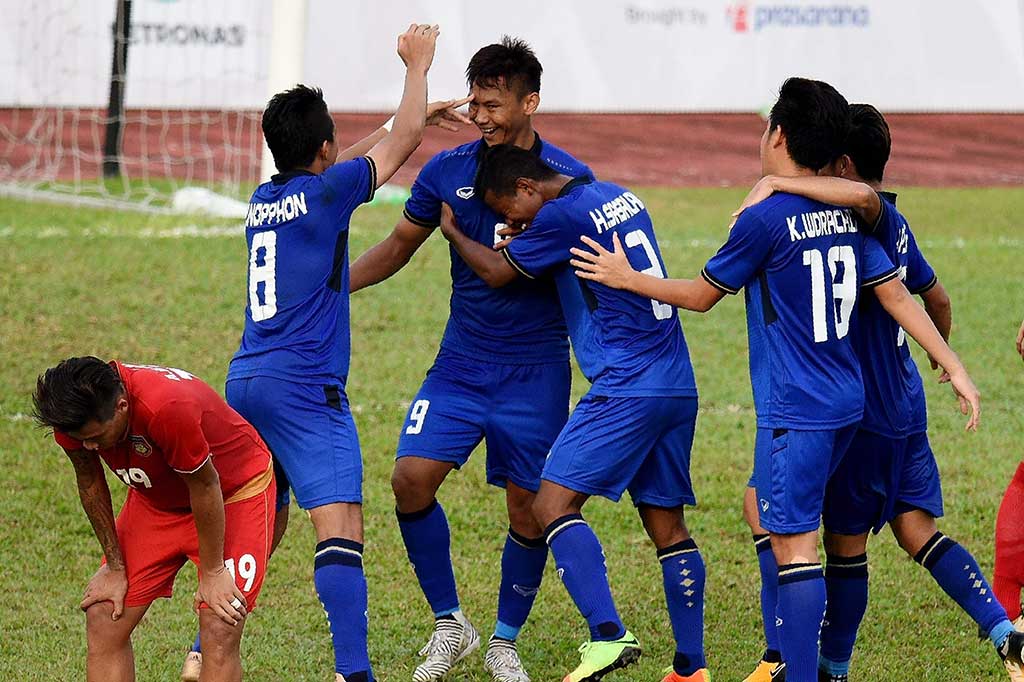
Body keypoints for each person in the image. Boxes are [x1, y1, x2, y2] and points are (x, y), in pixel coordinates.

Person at [568, 77, 992, 682]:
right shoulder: (845, 214)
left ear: (779, 136)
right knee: (770, 515)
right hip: (847, 402)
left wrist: (626, 277)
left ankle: (791, 669)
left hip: (797, 409)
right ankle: (794, 660)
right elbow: (899, 294)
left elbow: (701, 296)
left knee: (795, 547)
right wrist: (954, 365)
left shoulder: (765, 220)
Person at [730, 103, 1024, 682]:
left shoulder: (858, 218)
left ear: (841, 164)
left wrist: (777, 182)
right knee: (915, 530)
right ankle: (1004, 632)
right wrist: (936, 355)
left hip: (856, 409)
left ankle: (802, 662)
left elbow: (860, 202)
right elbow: (937, 299)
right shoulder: (897, 222)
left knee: (826, 540)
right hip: (904, 402)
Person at [349, 37, 591, 682]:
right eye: (475, 103)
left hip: (536, 370)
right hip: (460, 365)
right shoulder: (445, 170)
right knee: (409, 479)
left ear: (530, 102)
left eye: (493, 105)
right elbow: (398, 245)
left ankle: (504, 642)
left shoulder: (567, 181)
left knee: (528, 508)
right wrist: (332, 286)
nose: (480, 116)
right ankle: (451, 625)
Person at [218, 23, 454, 682]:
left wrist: (401, 119)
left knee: (262, 524)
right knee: (341, 524)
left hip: (247, 381)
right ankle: (356, 674)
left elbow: (346, 161)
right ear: (322, 149)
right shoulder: (326, 193)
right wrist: (416, 70)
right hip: (304, 389)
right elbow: (400, 146)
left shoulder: (266, 200)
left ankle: (204, 649)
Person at [438, 143, 707, 682]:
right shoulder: (616, 196)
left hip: (626, 385)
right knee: (667, 524)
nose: (509, 221)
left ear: (527, 188)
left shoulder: (558, 217)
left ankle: (608, 634)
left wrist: (454, 233)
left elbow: (496, 272)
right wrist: (530, 232)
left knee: (551, 503)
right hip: (676, 381)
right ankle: (689, 667)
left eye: (509, 211)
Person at [33, 358, 276, 682]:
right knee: (104, 614)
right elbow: (89, 481)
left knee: (220, 624)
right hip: (158, 502)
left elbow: (205, 485)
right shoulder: (73, 419)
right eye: (82, 439)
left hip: (232, 493)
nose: (89, 446)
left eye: (96, 437)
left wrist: (213, 571)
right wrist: (115, 566)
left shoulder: (166, 407)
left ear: (121, 406)